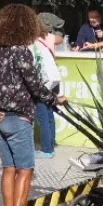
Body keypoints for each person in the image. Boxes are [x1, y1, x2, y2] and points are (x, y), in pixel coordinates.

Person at [0, 4, 66, 206]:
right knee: (26, 170)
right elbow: (34, 83)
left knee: (8, 169)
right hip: (17, 118)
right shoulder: (22, 51)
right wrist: (54, 99)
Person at [33, 13, 67, 159]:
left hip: (43, 81)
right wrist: (58, 25)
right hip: (54, 79)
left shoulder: (31, 40)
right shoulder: (50, 37)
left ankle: (46, 149)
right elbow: (60, 37)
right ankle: (50, 145)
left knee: (42, 115)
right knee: (50, 113)